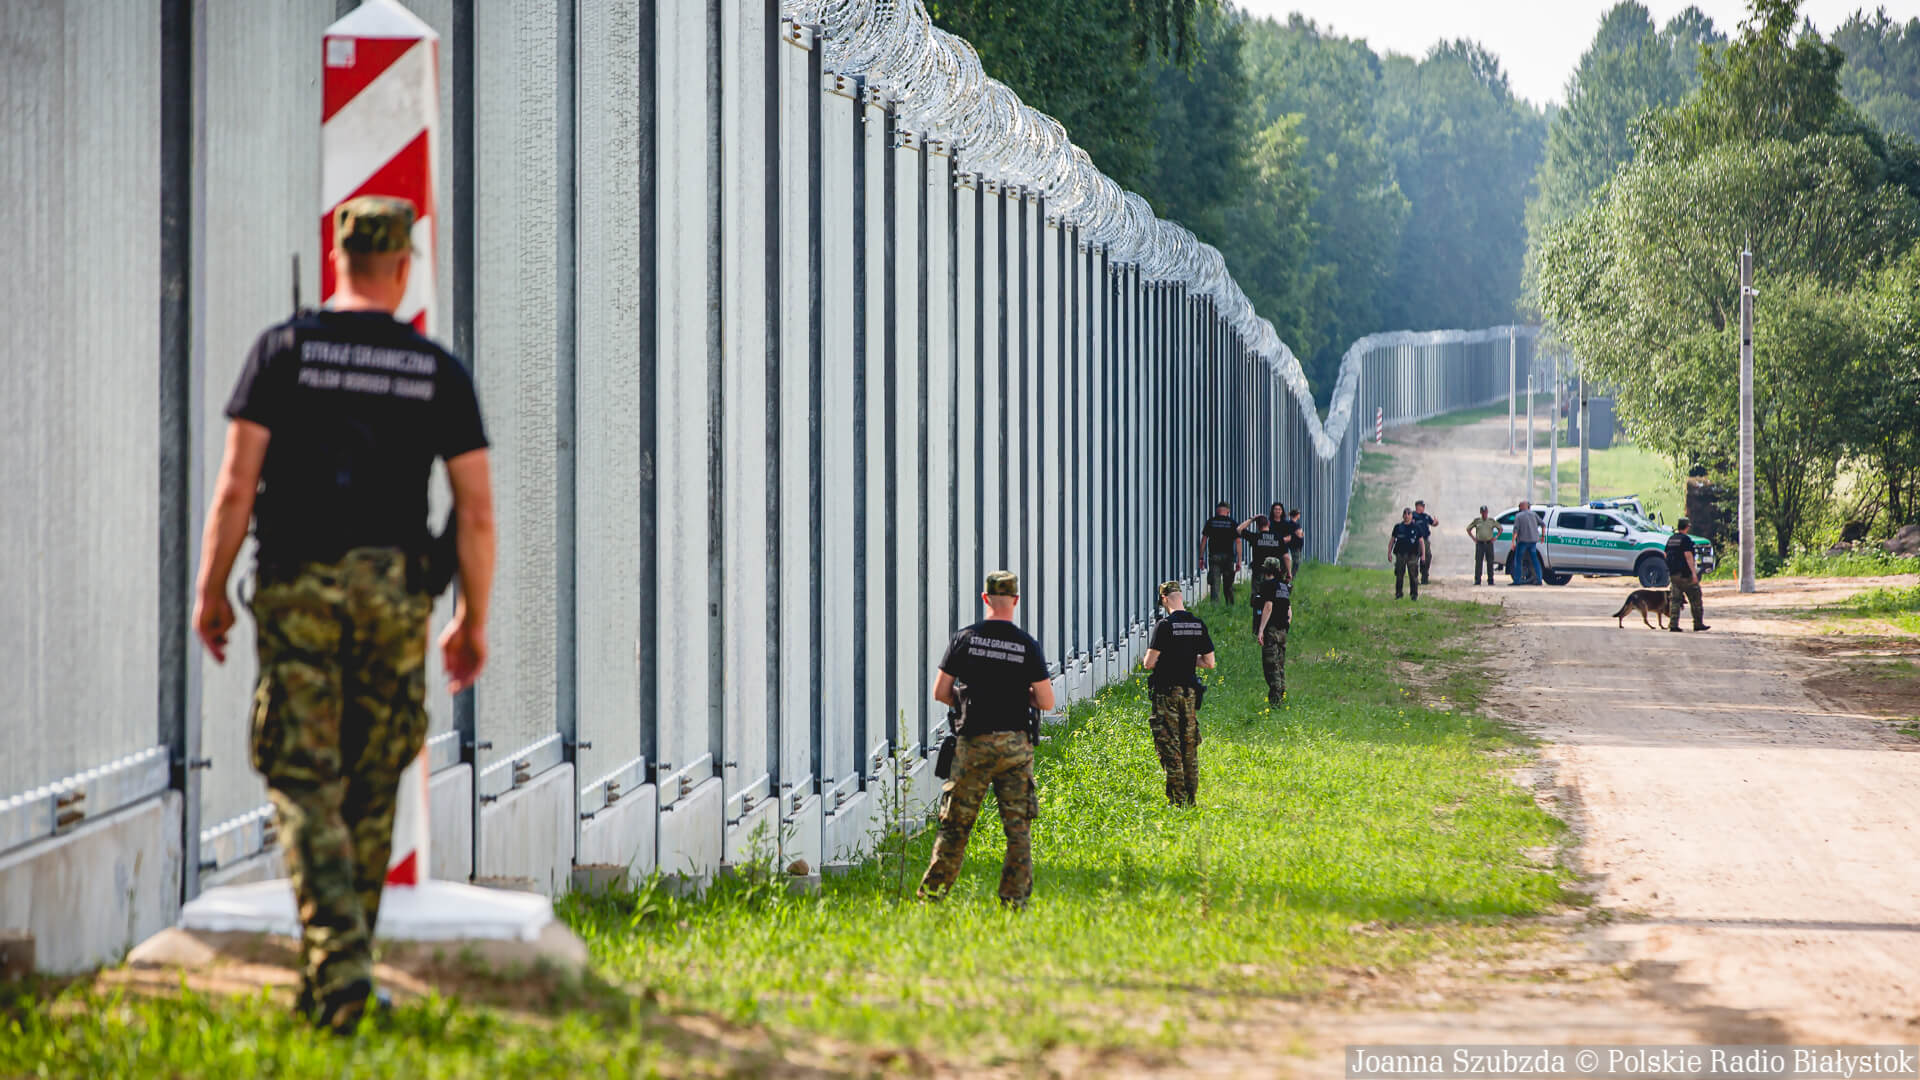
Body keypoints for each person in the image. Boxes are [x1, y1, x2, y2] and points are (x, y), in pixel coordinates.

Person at [191, 196, 494, 1033]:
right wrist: (471, 620)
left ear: (338, 259)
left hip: (299, 590)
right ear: (403, 268)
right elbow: (474, 511)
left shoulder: (283, 353)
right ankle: (341, 973)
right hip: (397, 596)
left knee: (301, 774)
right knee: (368, 777)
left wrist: (212, 590)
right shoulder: (436, 369)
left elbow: (236, 485)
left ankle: (338, 969)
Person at [920, 571, 1056, 907]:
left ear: (985, 599)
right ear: (1016, 600)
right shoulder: (1027, 645)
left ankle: (932, 898)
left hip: (973, 745)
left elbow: (940, 691)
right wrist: (1019, 696)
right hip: (1014, 746)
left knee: (955, 827)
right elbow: (1046, 701)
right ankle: (1014, 902)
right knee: (1018, 830)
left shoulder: (964, 638)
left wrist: (965, 701)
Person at [1142, 581, 1216, 806]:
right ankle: (1191, 798)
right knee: (1189, 745)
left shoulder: (1164, 626)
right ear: (1180, 597)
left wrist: (1169, 658)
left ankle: (1178, 801)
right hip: (1190, 695)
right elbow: (1209, 662)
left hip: (1167, 695)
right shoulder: (1197, 624)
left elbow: (1149, 663)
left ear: (1164, 599)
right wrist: (1187, 658)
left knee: (1170, 745)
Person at [1251, 558, 1292, 704]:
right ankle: (1282, 694)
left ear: (1266, 570)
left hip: (1272, 630)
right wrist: (1286, 626)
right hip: (1282, 631)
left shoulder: (1267, 585)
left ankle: (1275, 702)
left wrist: (1261, 630)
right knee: (1280, 665)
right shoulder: (1284, 586)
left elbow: (1268, 606)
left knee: (1270, 666)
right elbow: (1289, 611)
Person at [1665, 519, 1711, 633]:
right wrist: (1694, 574)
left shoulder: (1671, 539)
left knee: (1675, 600)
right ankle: (1698, 623)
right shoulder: (1686, 539)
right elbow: (1688, 556)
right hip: (1685, 575)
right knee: (1695, 598)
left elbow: (1665, 554)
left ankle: (1673, 624)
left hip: (1674, 575)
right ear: (1687, 527)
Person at [1198, 501, 1240, 604]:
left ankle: (1214, 607)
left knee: (1215, 584)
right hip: (1229, 557)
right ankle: (1230, 606)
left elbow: (1204, 539)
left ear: (1217, 510)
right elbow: (1238, 542)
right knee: (1228, 584)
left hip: (1214, 556)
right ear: (1228, 511)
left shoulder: (1211, 522)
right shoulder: (1232, 523)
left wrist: (1201, 557)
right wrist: (1239, 560)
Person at [1389, 508, 1426, 600]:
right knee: (1399, 575)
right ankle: (1398, 594)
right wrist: (1389, 552)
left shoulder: (1416, 527)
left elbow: (1421, 542)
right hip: (1400, 554)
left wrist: (1423, 555)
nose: (1406, 515)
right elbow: (1392, 540)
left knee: (1413, 575)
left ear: (1411, 515)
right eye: (1405, 513)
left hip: (1413, 554)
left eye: (1409, 513)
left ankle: (1414, 595)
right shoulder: (1398, 527)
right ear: (1403, 516)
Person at [1238, 512, 1288, 579]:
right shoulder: (1278, 538)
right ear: (1268, 524)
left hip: (1258, 572)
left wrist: (1252, 519)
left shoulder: (1255, 537)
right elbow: (1286, 556)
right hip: (1274, 573)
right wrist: (1289, 572)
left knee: (1257, 589)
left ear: (1257, 526)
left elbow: (1239, 529)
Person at [1510, 500, 1545, 585]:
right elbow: (1543, 525)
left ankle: (1517, 581)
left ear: (1522, 507)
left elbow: (1516, 531)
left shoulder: (1518, 516)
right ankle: (1539, 580)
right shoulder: (1534, 514)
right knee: (1535, 560)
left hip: (1522, 542)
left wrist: (1513, 542)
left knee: (1518, 561)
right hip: (1533, 542)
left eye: (1519, 506)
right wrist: (1542, 536)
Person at [1466, 505, 1499, 586]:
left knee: (1490, 562)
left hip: (1489, 543)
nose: (1484, 514)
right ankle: (1477, 580)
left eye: (1486, 512)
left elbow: (1500, 528)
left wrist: (1496, 537)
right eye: (1483, 512)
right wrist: (1474, 538)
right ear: (1481, 513)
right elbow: (1468, 529)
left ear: (1487, 512)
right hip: (1480, 544)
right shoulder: (1477, 521)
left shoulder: (1491, 521)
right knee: (1478, 562)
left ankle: (1490, 580)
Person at [1412, 501, 1439, 584]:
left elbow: (1433, 523)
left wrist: (1436, 523)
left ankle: (1424, 578)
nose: (1422, 508)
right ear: (1417, 506)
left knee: (1427, 557)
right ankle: (1414, 579)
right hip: (1415, 540)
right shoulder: (1412, 515)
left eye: (1423, 506)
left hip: (1425, 540)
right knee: (1414, 559)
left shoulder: (1426, 516)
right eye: (1420, 506)